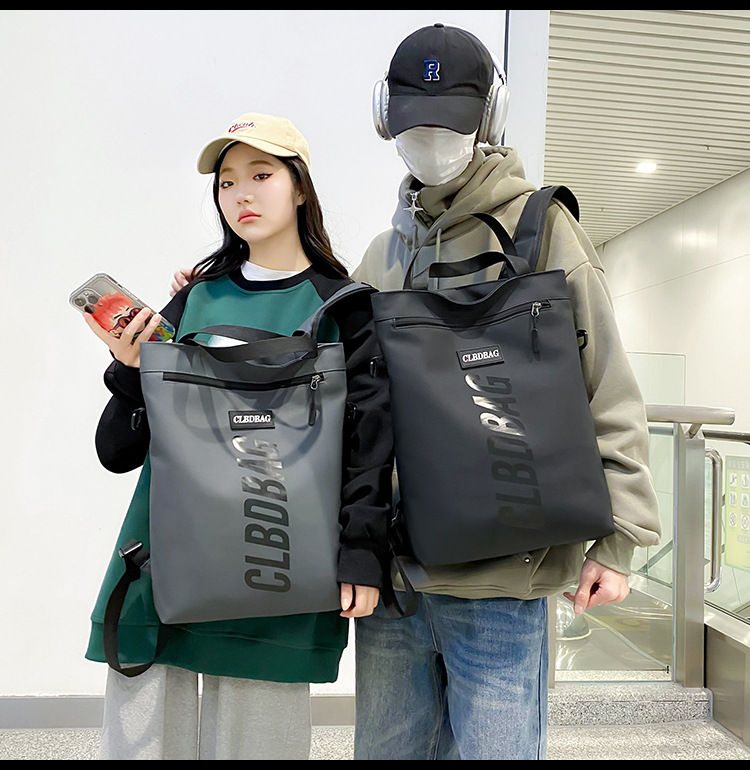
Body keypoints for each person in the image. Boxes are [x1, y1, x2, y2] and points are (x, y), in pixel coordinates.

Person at [169, 25, 661, 761]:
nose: (430, 138)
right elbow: (329, 393)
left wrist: (619, 542)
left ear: (488, 119)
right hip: (398, 580)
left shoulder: (545, 233)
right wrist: (211, 300)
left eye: (450, 120)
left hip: (505, 578)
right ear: (386, 121)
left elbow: (609, 388)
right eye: (413, 122)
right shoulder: (384, 253)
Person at [83, 112, 392, 760]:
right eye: (227, 182)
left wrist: (362, 551)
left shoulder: (344, 307)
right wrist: (130, 369)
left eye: (261, 174)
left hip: (276, 561)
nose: (241, 194)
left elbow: (367, 443)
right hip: (164, 562)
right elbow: (117, 452)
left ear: (300, 187)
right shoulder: (193, 300)